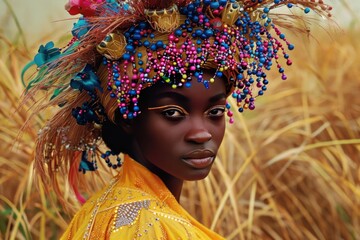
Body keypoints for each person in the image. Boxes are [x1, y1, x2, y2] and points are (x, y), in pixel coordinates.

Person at [21, 0, 332, 239]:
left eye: (215, 112)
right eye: (173, 113)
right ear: (128, 117)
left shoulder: (116, 208)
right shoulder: (147, 225)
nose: (201, 133)